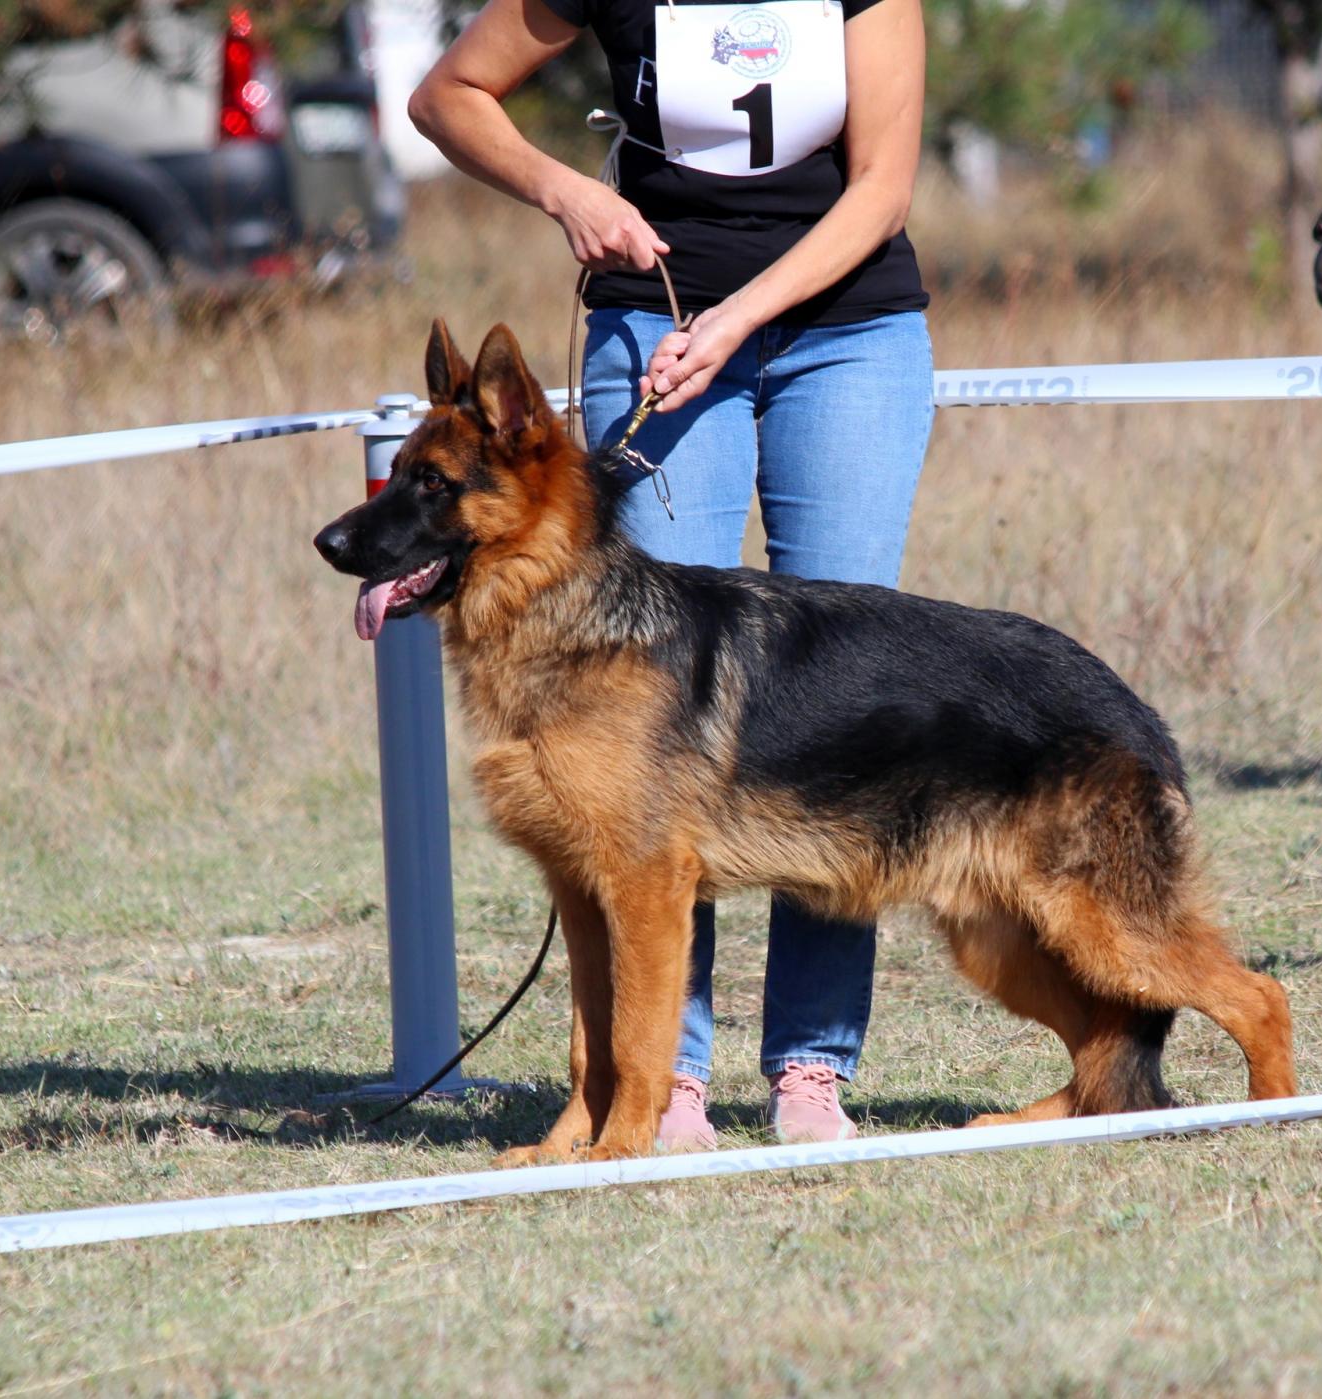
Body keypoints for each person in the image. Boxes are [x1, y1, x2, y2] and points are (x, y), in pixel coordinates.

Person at [409, 0, 932, 1145]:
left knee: (834, 707)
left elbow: (880, 190)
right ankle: (663, 1083)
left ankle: (810, 1067)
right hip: (654, 327)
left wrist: (738, 317)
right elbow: (446, 95)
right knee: (635, 749)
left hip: (847, 335)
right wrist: (568, 192)